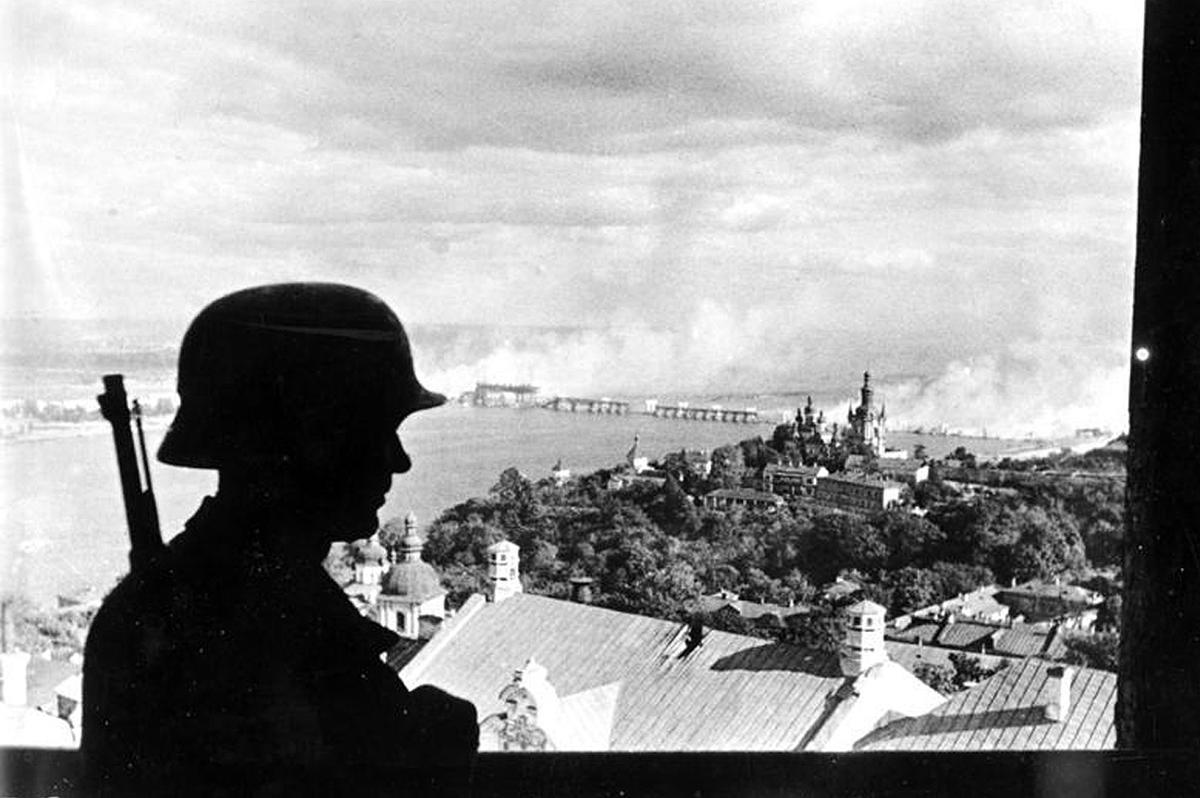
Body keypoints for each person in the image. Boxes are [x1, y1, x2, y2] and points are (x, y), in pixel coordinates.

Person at [82, 283, 478, 796]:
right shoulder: (286, 625)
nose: (398, 459)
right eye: (378, 431)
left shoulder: (160, 603)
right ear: (313, 443)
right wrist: (436, 735)